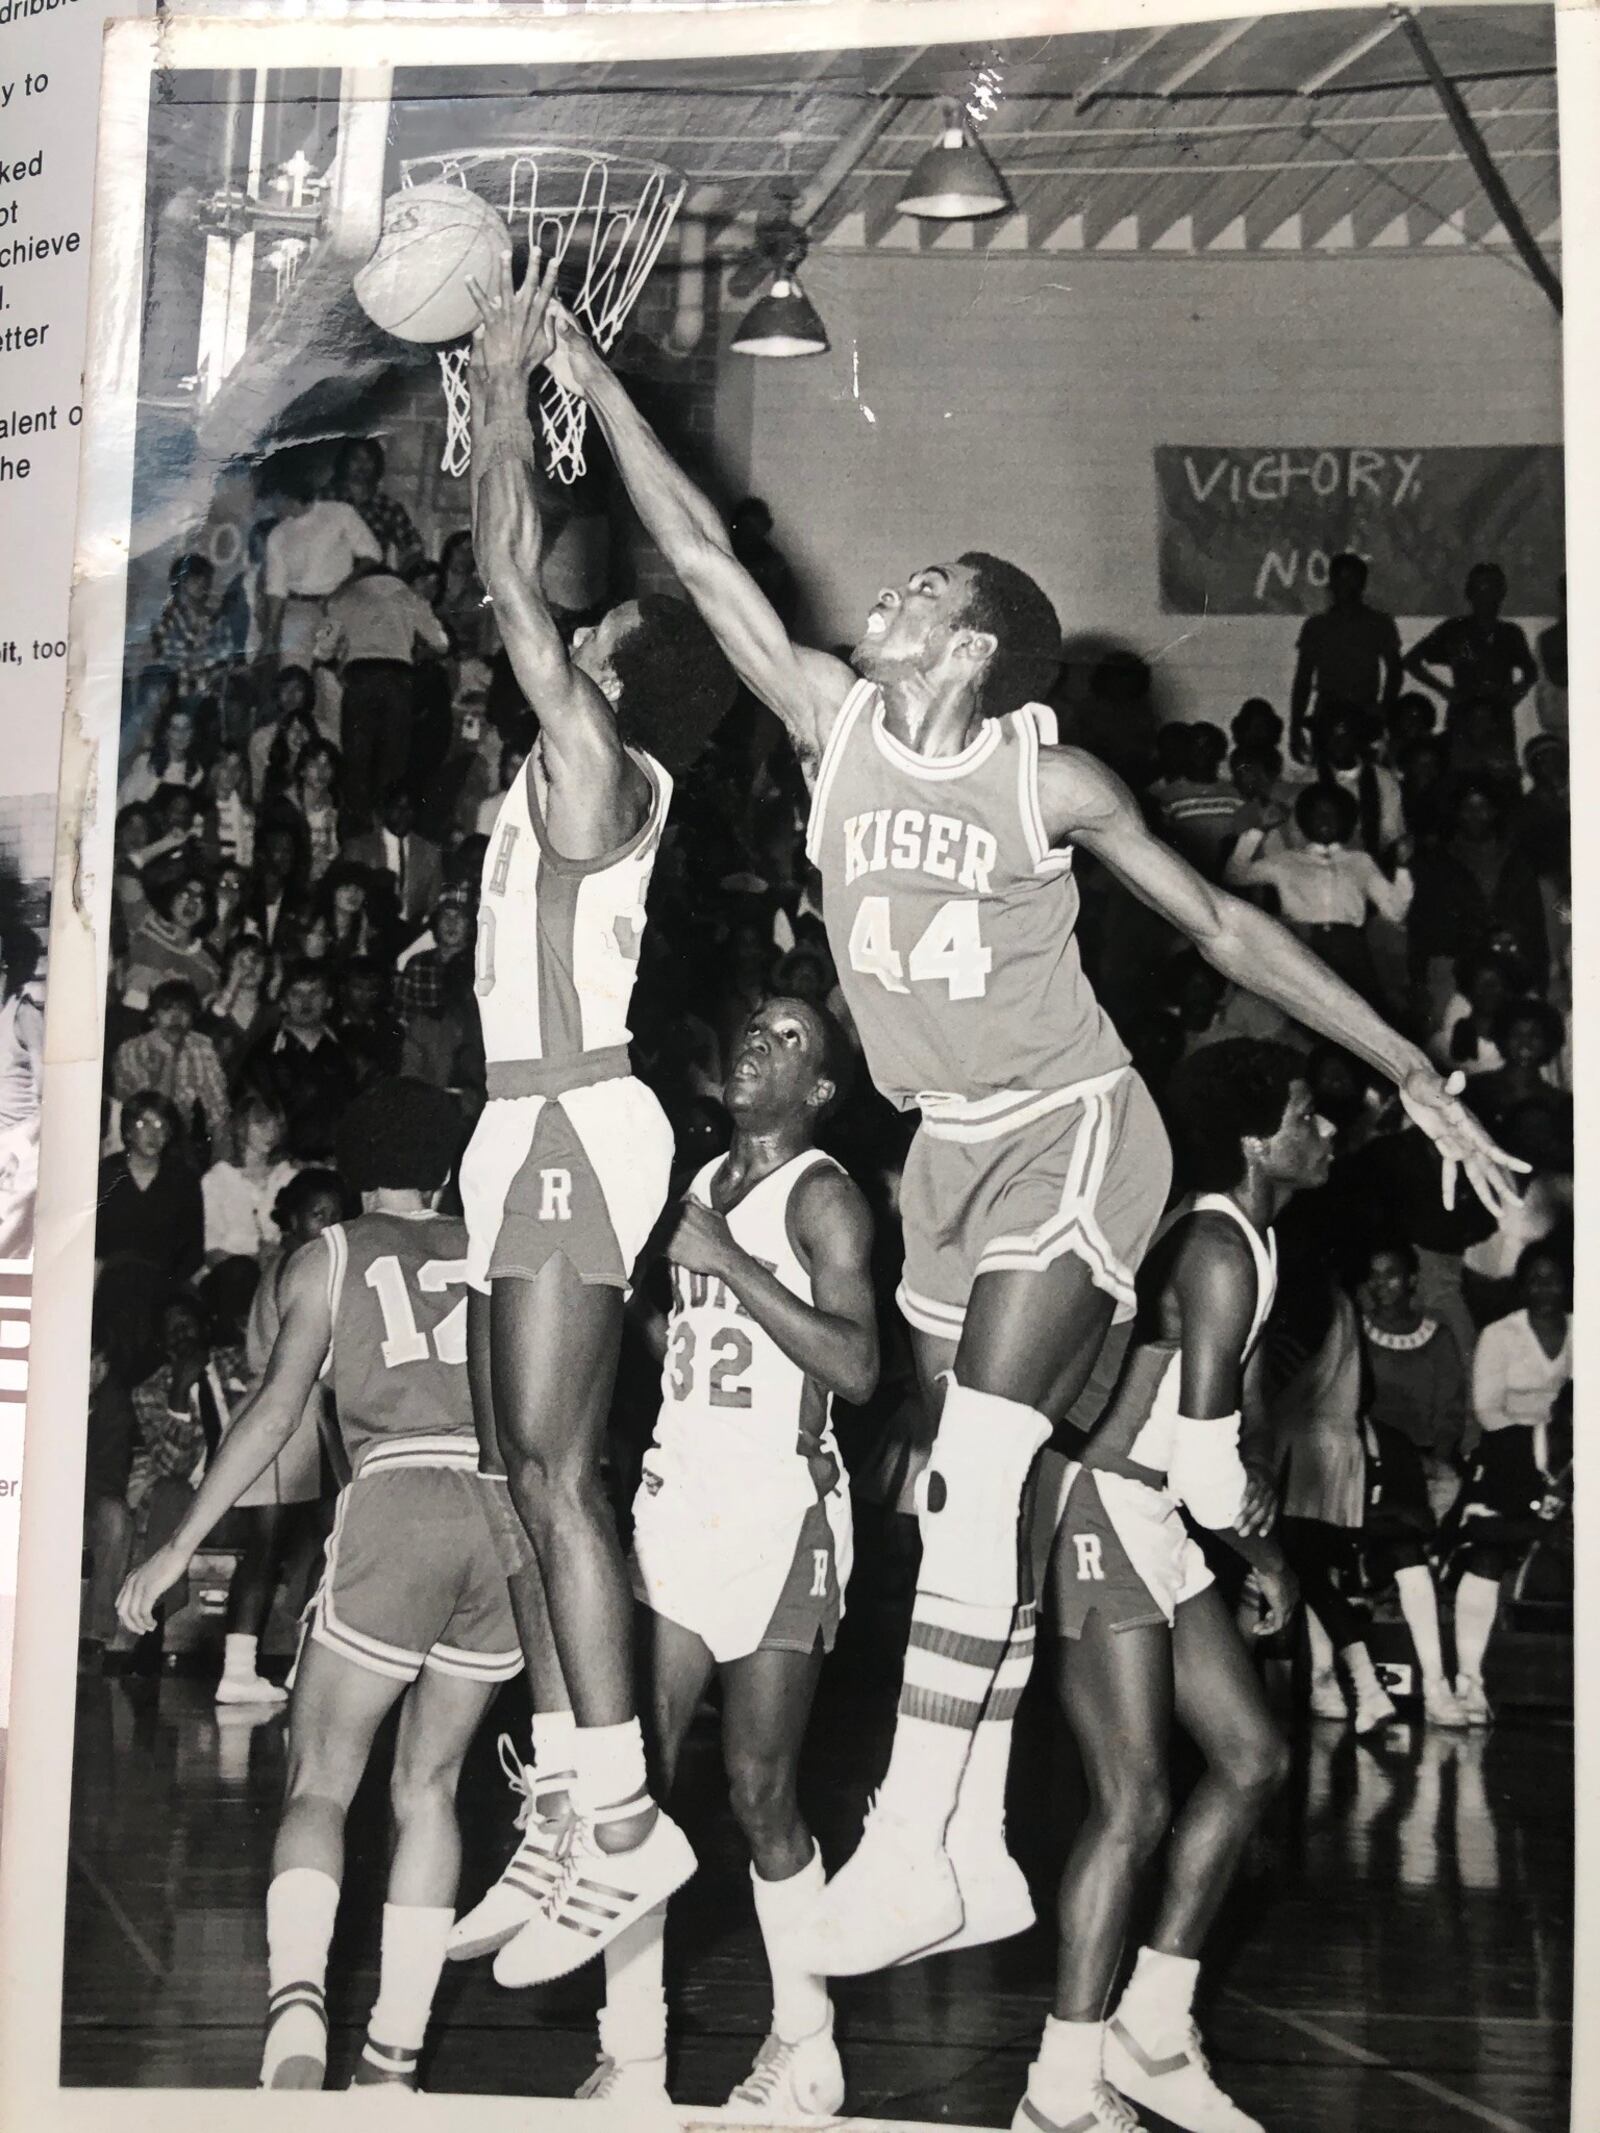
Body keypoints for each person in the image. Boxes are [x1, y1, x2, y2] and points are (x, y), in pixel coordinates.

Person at [553, 296, 1525, 1972]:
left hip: (1078, 1125)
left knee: (990, 1455)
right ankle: (989, 1847)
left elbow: (1224, 933)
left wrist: (1405, 1059)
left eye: (924, 591)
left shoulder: (1043, 784)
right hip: (942, 1148)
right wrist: (593, 381)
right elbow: (706, 554)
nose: (893, 592)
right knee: (958, 1493)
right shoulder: (834, 722)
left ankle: (921, 1839)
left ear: (969, 648)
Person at [448, 253, 737, 1985]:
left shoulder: (602, 765)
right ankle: (568, 1792)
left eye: (611, 625)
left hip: (573, 1126)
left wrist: (499, 398)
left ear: (628, 674)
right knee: (512, 1478)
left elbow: (504, 576)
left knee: (560, 1473)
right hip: (519, 1125)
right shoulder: (559, 772)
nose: (593, 617)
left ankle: (627, 1815)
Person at [117, 1079, 516, 2091]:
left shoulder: (327, 1255)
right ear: (442, 1168)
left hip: (399, 1499)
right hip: (504, 1515)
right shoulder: (495, 1247)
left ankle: (296, 2017)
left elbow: (272, 1415)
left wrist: (174, 1550)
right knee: (429, 1787)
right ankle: (393, 2059)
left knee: (321, 1780)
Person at [532, 997, 876, 2111]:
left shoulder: (823, 1196)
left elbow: (860, 1367)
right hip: (679, 1501)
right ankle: (631, 2052)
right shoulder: (692, 1186)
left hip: (780, 1510)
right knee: (639, 1781)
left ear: (819, 1091)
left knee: (759, 1789)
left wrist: (727, 1260)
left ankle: (805, 2045)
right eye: (752, 1028)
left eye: (786, 1040)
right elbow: (676, 1331)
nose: (754, 1045)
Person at [1014, 1040, 1313, 2133]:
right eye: (1302, 1114)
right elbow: (1199, 1461)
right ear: (1253, 1140)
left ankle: (1151, 2028)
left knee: (1249, 1755)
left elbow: (1206, 1457)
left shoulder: (1249, 1237)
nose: (1320, 1132)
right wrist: (1271, 1558)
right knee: (1131, 1800)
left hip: (1150, 1510)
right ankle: (1056, 2088)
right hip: (1098, 1504)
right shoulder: (1216, 1247)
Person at [1449, 1241, 1572, 1724]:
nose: (1545, 1288)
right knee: (1488, 1551)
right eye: (1535, 1279)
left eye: (1555, 1278)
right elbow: (1486, 1410)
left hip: (1573, 1457)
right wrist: (1537, 1440)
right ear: (1522, 1286)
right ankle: (1468, 1682)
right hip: (1511, 1455)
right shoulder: (1501, 1334)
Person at [322, 558, 450, 828]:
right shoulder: (409, 596)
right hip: (397, 683)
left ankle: (360, 833)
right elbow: (441, 643)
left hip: (360, 682)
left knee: (356, 762)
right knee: (393, 763)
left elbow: (322, 649)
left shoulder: (346, 597)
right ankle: (388, 830)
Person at [1358, 1240, 1469, 1526]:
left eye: (1391, 1274)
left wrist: (1439, 1459)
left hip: (1425, 1458)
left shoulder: (1437, 1335)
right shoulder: (1356, 1331)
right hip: (1371, 1457)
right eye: (1373, 1274)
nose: (1381, 1283)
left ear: (1412, 1280)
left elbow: (1450, 1409)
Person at [1402, 563, 1537, 763]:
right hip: (1463, 713)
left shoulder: (1510, 633)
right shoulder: (1454, 629)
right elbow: (1411, 660)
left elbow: (1531, 672)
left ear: (1502, 593)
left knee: (1501, 776)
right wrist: (1445, 691)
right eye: (1480, 589)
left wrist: (1515, 694)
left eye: (1493, 588)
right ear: (1469, 593)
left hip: (1498, 717)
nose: (1486, 596)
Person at [1289, 553, 1402, 766]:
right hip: (1326, 712)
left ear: (1362, 583)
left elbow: (1395, 671)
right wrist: (1295, 727)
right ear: (1330, 582)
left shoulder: (1379, 623)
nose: (1345, 585)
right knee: (1327, 775)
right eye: (1340, 578)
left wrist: (1385, 712)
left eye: (1352, 579)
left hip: (1365, 711)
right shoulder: (1316, 626)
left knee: (1367, 775)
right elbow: (1303, 678)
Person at [112, 978, 232, 1162]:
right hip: (138, 1141)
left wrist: (221, 1166)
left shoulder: (202, 1047)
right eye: (167, 1009)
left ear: (192, 1019)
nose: (176, 1018)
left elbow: (219, 1113)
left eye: (184, 1010)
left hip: (185, 1145)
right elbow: (154, 1113)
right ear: (152, 1017)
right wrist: (169, 1056)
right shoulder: (132, 1050)